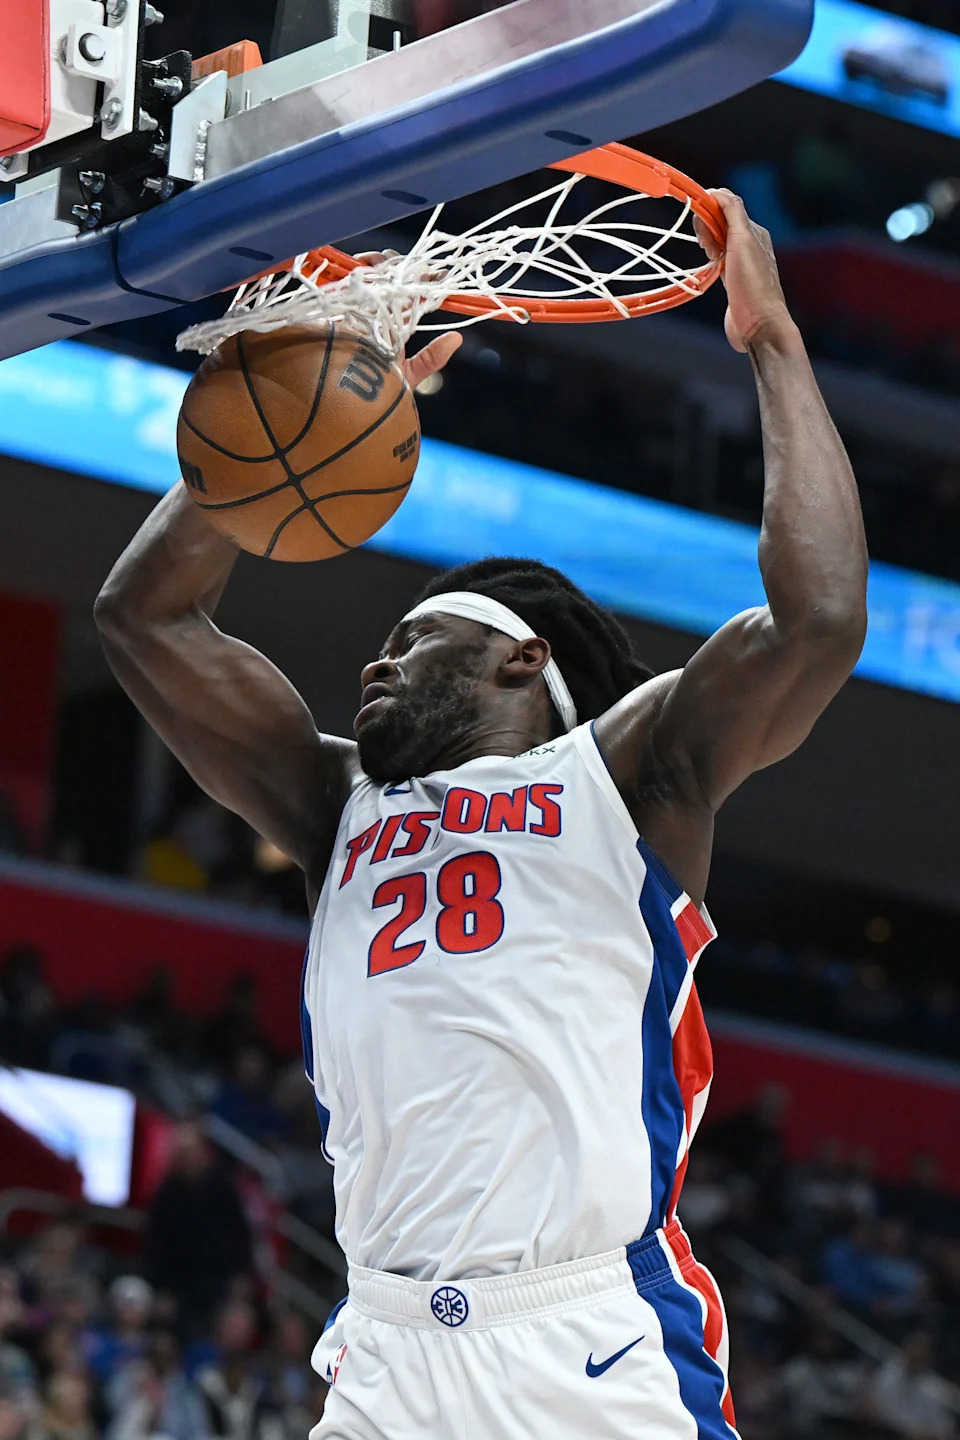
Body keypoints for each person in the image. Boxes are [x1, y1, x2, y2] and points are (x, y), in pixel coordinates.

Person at [94, 193, 868, 1438]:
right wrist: (291, 395)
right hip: (387, 1351)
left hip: (582, 1343)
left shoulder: (629, 778)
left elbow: (816, 622)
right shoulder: (332, 798)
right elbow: (145, 620)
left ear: (521, 665)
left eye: (415, 640)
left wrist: (775, 345)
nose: (373, 665)